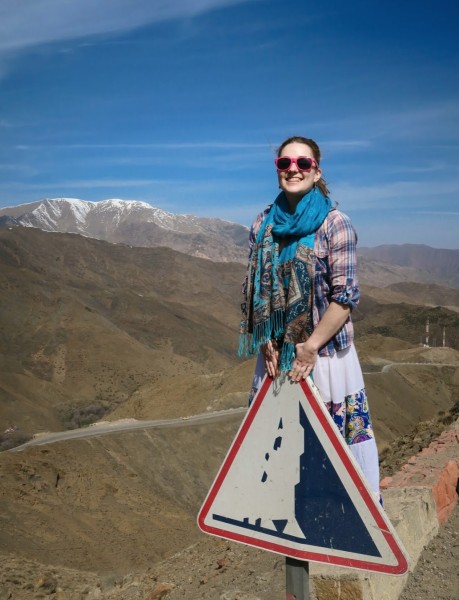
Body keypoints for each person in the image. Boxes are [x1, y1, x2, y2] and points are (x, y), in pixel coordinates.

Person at [238, 135, 380, 498]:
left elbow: (345, 297)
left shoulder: (335, 225)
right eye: (284, 164)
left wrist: (310, 346)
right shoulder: (262, 223)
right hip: (274, 358)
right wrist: (265, 340)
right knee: (279, 454)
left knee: (332, 454)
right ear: (277, 171)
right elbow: (254, 289)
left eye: (303, 164)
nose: (293, 170)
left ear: (317, 172)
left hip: (325, 357)